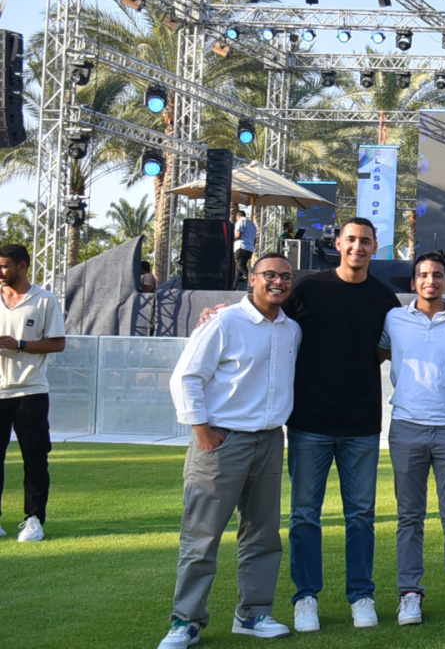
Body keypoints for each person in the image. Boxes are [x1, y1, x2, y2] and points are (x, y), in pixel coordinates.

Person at [201, 218, 398, 631]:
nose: (357, 247)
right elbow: (264, 311)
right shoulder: (307, 287)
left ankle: (361, 596)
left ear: (375, 247)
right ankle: (305, 596)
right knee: (305, 515)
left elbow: (382, 351)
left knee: (361, 515)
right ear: (338, 244)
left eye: (365, 241)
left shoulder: (385, 299)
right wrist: (222, 311)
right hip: (309, 424)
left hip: (362, 425)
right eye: (350, 240)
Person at [161, 252, 300, 648]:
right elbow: (185, 377)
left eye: (286, 277)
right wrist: (202, 430)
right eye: (269, 275)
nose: (278, 282)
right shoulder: (223, 321)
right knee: (202, 536)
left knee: (262, 535)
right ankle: (185, 621)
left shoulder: (290, 329)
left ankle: (253, 614)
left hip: (270, 440)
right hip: (222, 441)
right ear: (251, 279)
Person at [378, 252, 445, 627]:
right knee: (410, 517)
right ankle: (410, 593)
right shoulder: (395, 319)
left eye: (437, 275)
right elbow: (375, 350)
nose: (430, 281)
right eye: (423, 275)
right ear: (413, 283)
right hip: (406, 426)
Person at [0, 244, 67, 543]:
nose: (0, 272)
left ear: (22, 266)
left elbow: (57, 343)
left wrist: (20, 344)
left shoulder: (44, 300)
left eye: (4, 266)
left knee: (35, 459)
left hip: (31, 392)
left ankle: (33, 520)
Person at [233, 205, 257, 285]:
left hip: (241, 247)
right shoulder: (252, 224)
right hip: (249, 248)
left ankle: (253, 281)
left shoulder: (240, 221)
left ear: (238, 216)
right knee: (239, 269)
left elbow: (238, 234)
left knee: (241, 266)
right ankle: (234, 286)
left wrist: (231, 238)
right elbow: (255, 239)